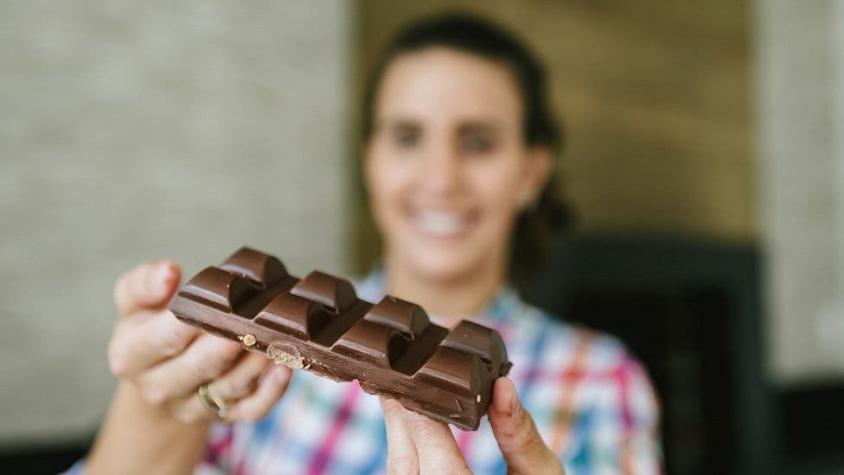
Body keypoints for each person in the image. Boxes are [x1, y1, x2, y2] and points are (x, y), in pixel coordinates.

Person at [76, 12, 661, 475]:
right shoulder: (255, 360)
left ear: (532, 173)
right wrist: (153, 408)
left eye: (477, 142)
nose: (439, 178)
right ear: (370, 159)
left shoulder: (599, 378)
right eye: (407, 137)